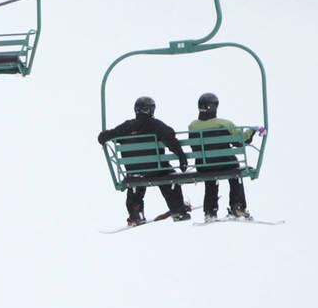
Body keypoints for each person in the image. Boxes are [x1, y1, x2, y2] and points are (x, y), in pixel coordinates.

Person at [97, 96, 191, 225]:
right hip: (156, 170)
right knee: (169, 178)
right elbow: (170, 138)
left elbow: (105, 136)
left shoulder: (126, 126)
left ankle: (136, 213)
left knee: (135, 182)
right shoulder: (156, 125)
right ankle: (178, 209)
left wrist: (102, 137)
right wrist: (181, 156)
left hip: (135, 170)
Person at [188, 92, 255, 221]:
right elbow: (240, 141)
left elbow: (195, 147)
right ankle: (238, 207)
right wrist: (252, 131)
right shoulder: (223, 124)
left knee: (210, 179)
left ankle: (210, 211)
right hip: (226, 164)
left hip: (204, 165)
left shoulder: (193, 127)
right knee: (236, 174)